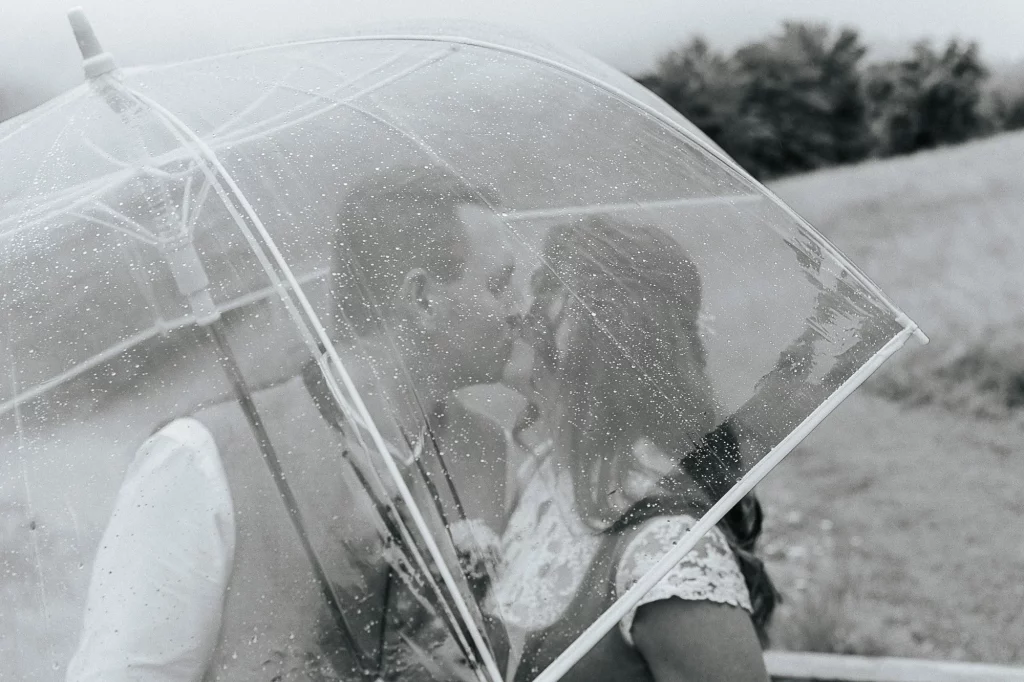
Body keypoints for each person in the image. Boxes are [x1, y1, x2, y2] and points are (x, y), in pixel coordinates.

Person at [66, 165, 521, 682]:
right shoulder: (202, 456)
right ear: (420, 298)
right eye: (500, 285)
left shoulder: (490, 452)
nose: (520, 308)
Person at [492, 215, 775, 682]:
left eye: (546, 293)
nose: (518, 315)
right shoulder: (540, 474)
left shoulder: (669, 556)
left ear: (605, 341)